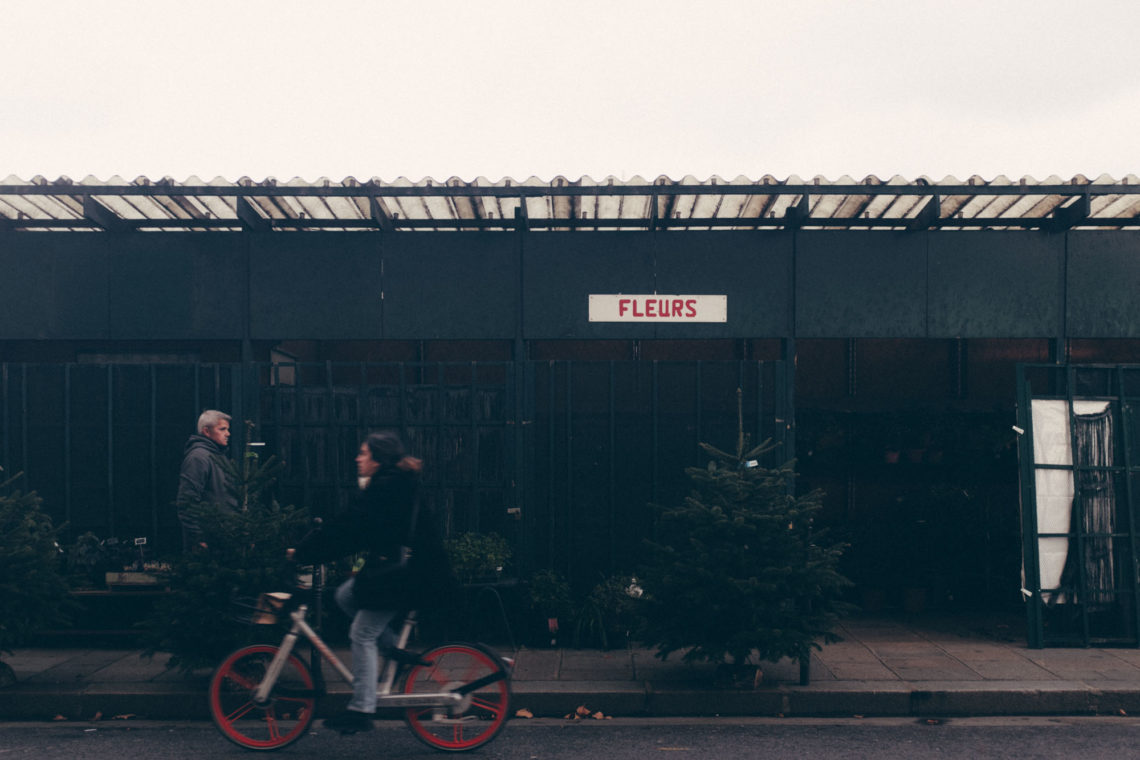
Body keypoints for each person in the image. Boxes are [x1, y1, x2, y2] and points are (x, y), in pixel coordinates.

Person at [288, 431, 449, 735]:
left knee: (361, 634)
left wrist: (304, 553)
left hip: (407, 575)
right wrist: (314, 551)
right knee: (345, 595)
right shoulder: (392, 484)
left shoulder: (388, 489)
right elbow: (352, 528)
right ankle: (393, 651)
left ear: (378, 459)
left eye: (363, 453)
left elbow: (348, 529)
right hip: (400, 571)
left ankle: (361, 708)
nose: (357, 458)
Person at [175, 409, 237, 550]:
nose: (228, 434)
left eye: (227, 429)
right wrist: (198, 538)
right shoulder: (198, 457)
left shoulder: (218, 456)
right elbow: (187, 501)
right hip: (210, 540)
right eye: (222, 429)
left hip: (223, 538)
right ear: (206, 431)